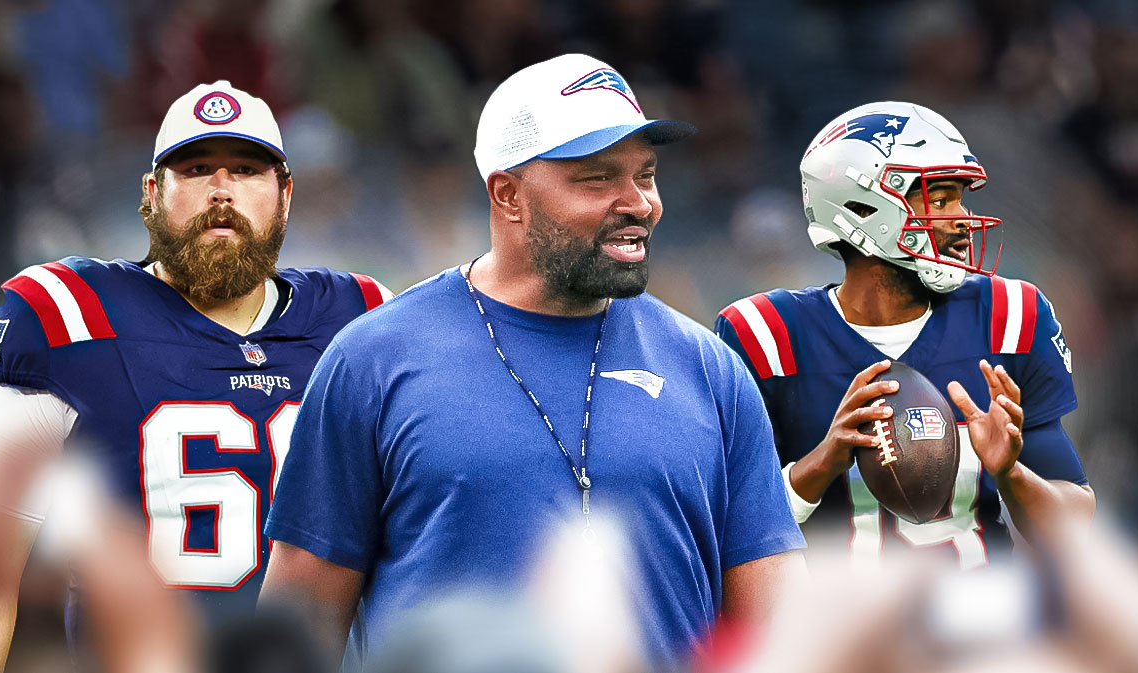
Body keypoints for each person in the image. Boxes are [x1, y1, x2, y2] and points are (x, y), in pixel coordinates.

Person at [259, 53, 806, 668]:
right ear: (509, 194)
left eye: (645, 175)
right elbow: (297, 629)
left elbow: (778, 637)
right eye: (598, 179)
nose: (640, 204)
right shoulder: (375, 360)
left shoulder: (710, 369)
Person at [0, 80, 391, 672]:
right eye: (198, 168)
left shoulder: (360, 318)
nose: (221, 191)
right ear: (153, 193)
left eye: (246, 170)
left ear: (285, 194)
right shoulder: (71, 319)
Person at [713, 101, 1095, 570]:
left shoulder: (1011, 316)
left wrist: (1010, 472)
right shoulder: (766, 335)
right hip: (833, 630)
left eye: (959, 197)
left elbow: (1073, 530)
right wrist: (820, 465)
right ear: (864, 208)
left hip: (983, 624)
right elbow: (723, 532)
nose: (961, 218)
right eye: (940, 199)